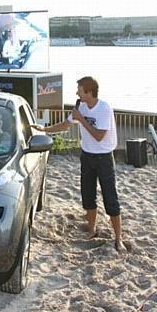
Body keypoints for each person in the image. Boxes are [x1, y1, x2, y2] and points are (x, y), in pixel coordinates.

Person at [31, 76, 127, 251]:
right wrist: (45, 129)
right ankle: (91, 229)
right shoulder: (81, 107)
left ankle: (118, 238)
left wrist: (81, 119)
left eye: (80, 90)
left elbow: (99, 136)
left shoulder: (104, 108)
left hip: (104, 157)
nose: (77, 93)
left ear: (89, 92)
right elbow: (66, 124)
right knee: (87, 195)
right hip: (87, 156)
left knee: (110, 197)